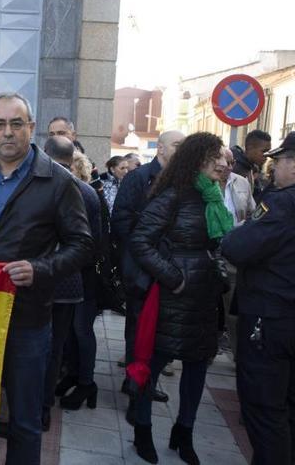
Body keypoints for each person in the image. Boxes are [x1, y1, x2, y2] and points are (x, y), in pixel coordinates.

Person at [0, 93, 92, 464]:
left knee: (25, 420)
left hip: (27, 319)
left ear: (31, 128)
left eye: (17, 124)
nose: (8, 132)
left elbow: (82, 245)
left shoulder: (58, 181)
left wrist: (41, 268)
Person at [222, 130, 295, 465]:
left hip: (271, 317)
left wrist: (238, 233)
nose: (274, 168)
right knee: (291, 402)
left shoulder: (286, 202)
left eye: (280, 161)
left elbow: (237, 247)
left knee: (264, 410)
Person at [127, 132, 232, 464]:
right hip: (171, 298)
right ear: (196, 159)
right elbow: (140, 241)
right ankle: (142, 430)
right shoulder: (172, 196)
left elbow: (215, 244)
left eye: (224, 157)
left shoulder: (214, 197)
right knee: (152, 365)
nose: (223, 162)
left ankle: (183, 434)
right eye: (215, 156)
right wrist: (174, 278)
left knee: (197, 367)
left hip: (203, 299)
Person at [111, 130, 185, 411]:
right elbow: (121, 220)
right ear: (162, 149)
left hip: (167, 270)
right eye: (177, 145)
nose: (181, 150)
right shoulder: (138, 178)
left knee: (159, 330)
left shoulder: (183, 181)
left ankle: (147, 382)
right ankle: (134, 383)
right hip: (141, 269)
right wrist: (140, 254)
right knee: (138, 327)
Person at [42, 136, 102, 427]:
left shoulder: (42, 187)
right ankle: (44, 405)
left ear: (45, 155)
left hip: (40, 280)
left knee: (36, 344)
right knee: (56, 346)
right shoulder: (89, 193)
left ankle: (36, 403)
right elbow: (96, 244)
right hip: (72, 282)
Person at [216, 146, 256, 359]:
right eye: (224, 161)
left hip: (233, 255)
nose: (228, 167)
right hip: (208, 252)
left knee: (232, 308)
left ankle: (238, 354)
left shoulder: (241, 182)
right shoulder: (202, 182)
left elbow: (252, 213)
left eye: (232, 163)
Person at [232, 129, 271, 199]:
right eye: (264, 151)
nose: (267, 156)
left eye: (268, 151)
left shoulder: (252, 168)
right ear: (250, 148)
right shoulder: (235, 169)